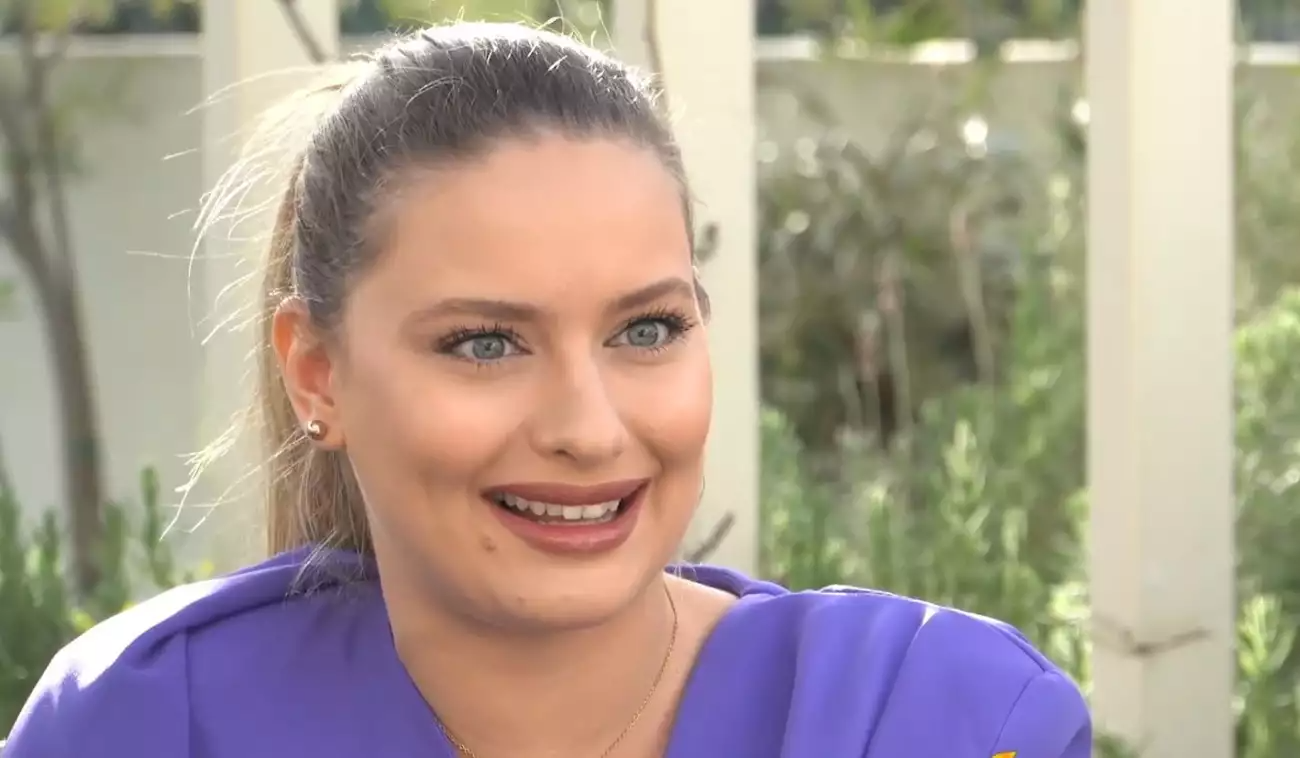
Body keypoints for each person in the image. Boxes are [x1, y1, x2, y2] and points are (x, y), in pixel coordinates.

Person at [5, 22, 1090, 758]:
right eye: (485, 343)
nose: (588, 427)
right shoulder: (143, 725)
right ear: (316, 371)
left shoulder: (932, 721)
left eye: (646, 329)